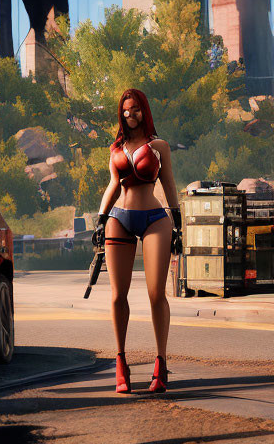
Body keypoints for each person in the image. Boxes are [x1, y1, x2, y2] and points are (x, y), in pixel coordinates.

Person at [93, 88, 182, 394]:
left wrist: (178, 223)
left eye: (136, 110)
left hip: (156, 219)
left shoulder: (159, 146)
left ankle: (161, 364)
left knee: (157, 293)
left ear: (145, 110)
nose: (130, 115)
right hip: (119, 219)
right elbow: (113, 185)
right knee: (118, 295)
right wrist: (101, 218)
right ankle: (121, 364)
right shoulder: (115, 148)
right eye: (126, 111)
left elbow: (169, 184)